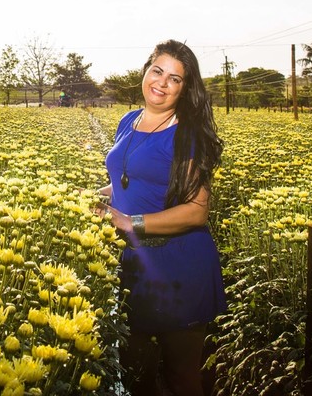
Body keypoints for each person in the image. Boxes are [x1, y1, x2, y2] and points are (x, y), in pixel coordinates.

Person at [96, 39, 226, 396]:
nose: (162, 83)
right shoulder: (128, 120)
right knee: (136, 374)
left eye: (175, 79)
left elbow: (197, 211)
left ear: (185, 89)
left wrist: (129, 222)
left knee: (181, 380)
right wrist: (97, 197)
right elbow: (129, 181)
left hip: (179, 264)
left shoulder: (188, 133)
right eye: (158, 71)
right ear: (146, 71)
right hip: (134, 265)